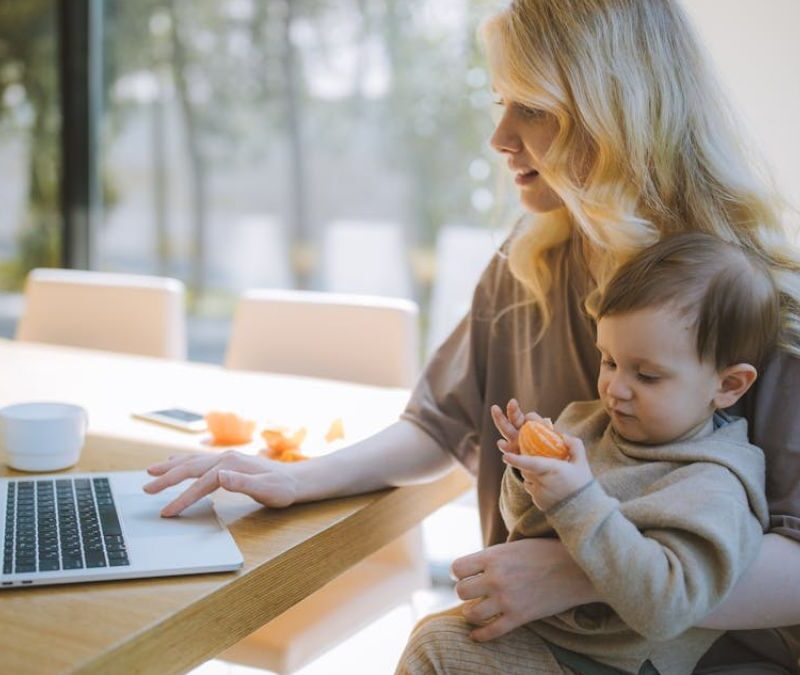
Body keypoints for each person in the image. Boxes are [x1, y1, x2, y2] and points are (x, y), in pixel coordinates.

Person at [143, 0, 800, 671]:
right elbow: (440, 423)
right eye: (500, 103)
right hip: (539, 645)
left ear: (614, 112)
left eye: (534, 108)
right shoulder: (532, 259)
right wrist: (300, 477)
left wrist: (580, 570)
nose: (501, 137)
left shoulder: (750, 294)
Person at [397, 232, 777, 674]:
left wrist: (577, 499)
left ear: (728, 385)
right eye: (609, 361)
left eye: (647, 375)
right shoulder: (589, 423)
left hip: (614, 664)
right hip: (548, 636)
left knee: (437, 648)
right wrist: (528, 475)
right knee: (437, 633)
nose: (615, 388)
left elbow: (669, 607)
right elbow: (524, 529)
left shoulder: (713, 484)